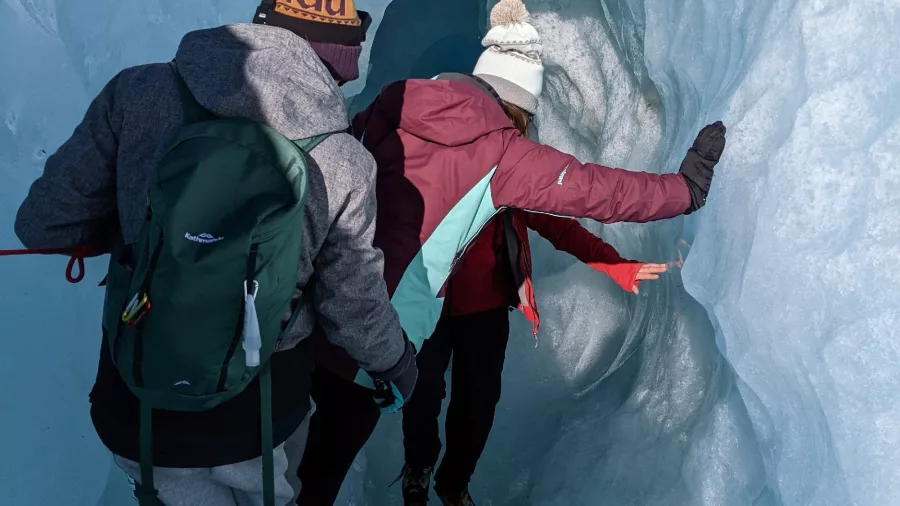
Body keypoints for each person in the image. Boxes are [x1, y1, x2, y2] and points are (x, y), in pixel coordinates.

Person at [296, 0, 727, 503]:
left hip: (351, 309)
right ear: (516, 103)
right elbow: (592, 188)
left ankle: (445, 483)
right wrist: (684, 191)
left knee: (347, 443)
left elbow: (329, 169)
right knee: (419, 399)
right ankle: (423, 474)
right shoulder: (504, 154)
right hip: (408, 315)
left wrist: (614, 264)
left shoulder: (388, 109)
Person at [13, 1, 418, 505]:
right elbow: (351, 302)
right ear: (334, 59)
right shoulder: (343, 158)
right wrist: (395, 362)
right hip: (259, 416)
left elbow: (43, 224)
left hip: (140, 398)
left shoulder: (136, 92)